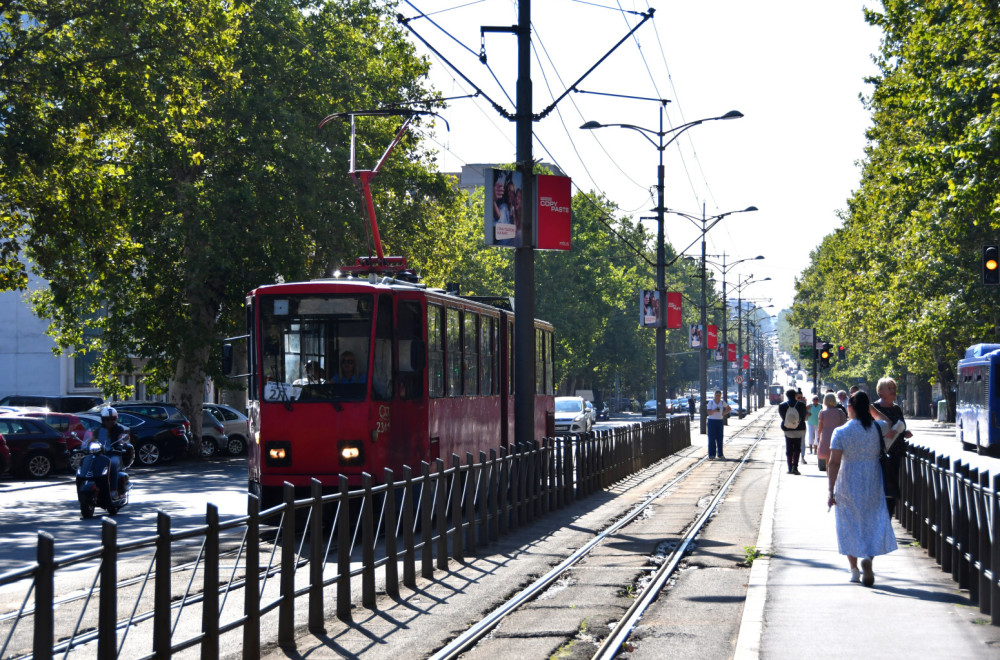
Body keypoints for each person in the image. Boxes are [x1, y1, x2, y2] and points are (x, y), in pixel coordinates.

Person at [827, 391, 899, 586]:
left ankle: (854, 570)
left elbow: (833, 463)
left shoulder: (840, 432)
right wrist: (872, 409)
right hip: (872, 480)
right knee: (873, 521)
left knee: (849, 523)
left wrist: (830, 490)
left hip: (848, 480)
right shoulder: (877, 427)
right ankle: (868, 557)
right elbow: (888, 422)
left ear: (849, 408)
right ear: (867, 408)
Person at [870, 377, 913, 515]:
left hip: (896, 451)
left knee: (893, 485)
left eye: (893, 388)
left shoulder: (896, 408)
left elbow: (901, 425)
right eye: (889, 388)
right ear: (880, 391)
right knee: (881, 484)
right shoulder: (874, 408)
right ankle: (880, 514)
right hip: (879, 452)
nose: (893, 390)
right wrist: (886, 433)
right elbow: (870, 429)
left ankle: (888, 515)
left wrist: (903, 432)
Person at [96, 406, 129, 498]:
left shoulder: (119, 429)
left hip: (114, 453)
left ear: (115, 419)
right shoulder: (99, 429)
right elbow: (91, 439)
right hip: (102, 454)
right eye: (106, 419)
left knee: (112, 464)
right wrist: (85, 445)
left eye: (112, 419)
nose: (109, 422)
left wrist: (121, 445)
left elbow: (121, 439)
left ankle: (114, 490)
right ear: (103, 420)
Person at [817, 392, 847, 472]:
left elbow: (820, 428)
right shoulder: (840, 412)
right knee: (838, 459)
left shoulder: (822, 412)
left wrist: (819, 438)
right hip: (837, 436)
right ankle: (837, 478)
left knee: (828, 460)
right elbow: (844, 426)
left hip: (826, 436)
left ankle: (830, 479)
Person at [779, 389, 808, 474]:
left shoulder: (782, 406)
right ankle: (795, 467)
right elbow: (803, 416)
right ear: (795, 395)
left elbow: (783, 417)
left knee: (789, 447)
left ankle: (789, 467)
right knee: (797, 448)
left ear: (787, 395)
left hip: (787, 429)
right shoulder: (801, 405)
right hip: (799, 429)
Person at [706, 390, 731, 459]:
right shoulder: (711, 402)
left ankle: (720, 454)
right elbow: (709, 412)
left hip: (719, 421)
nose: (718, 397)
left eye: (719, 395)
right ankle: (711, 454)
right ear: (714, 395)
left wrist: (724, 413)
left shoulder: (722, 402)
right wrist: (714, 410)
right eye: (716, 395)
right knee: (711, 438)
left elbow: (729, 408)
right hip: (711, 421)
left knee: (720, 438)